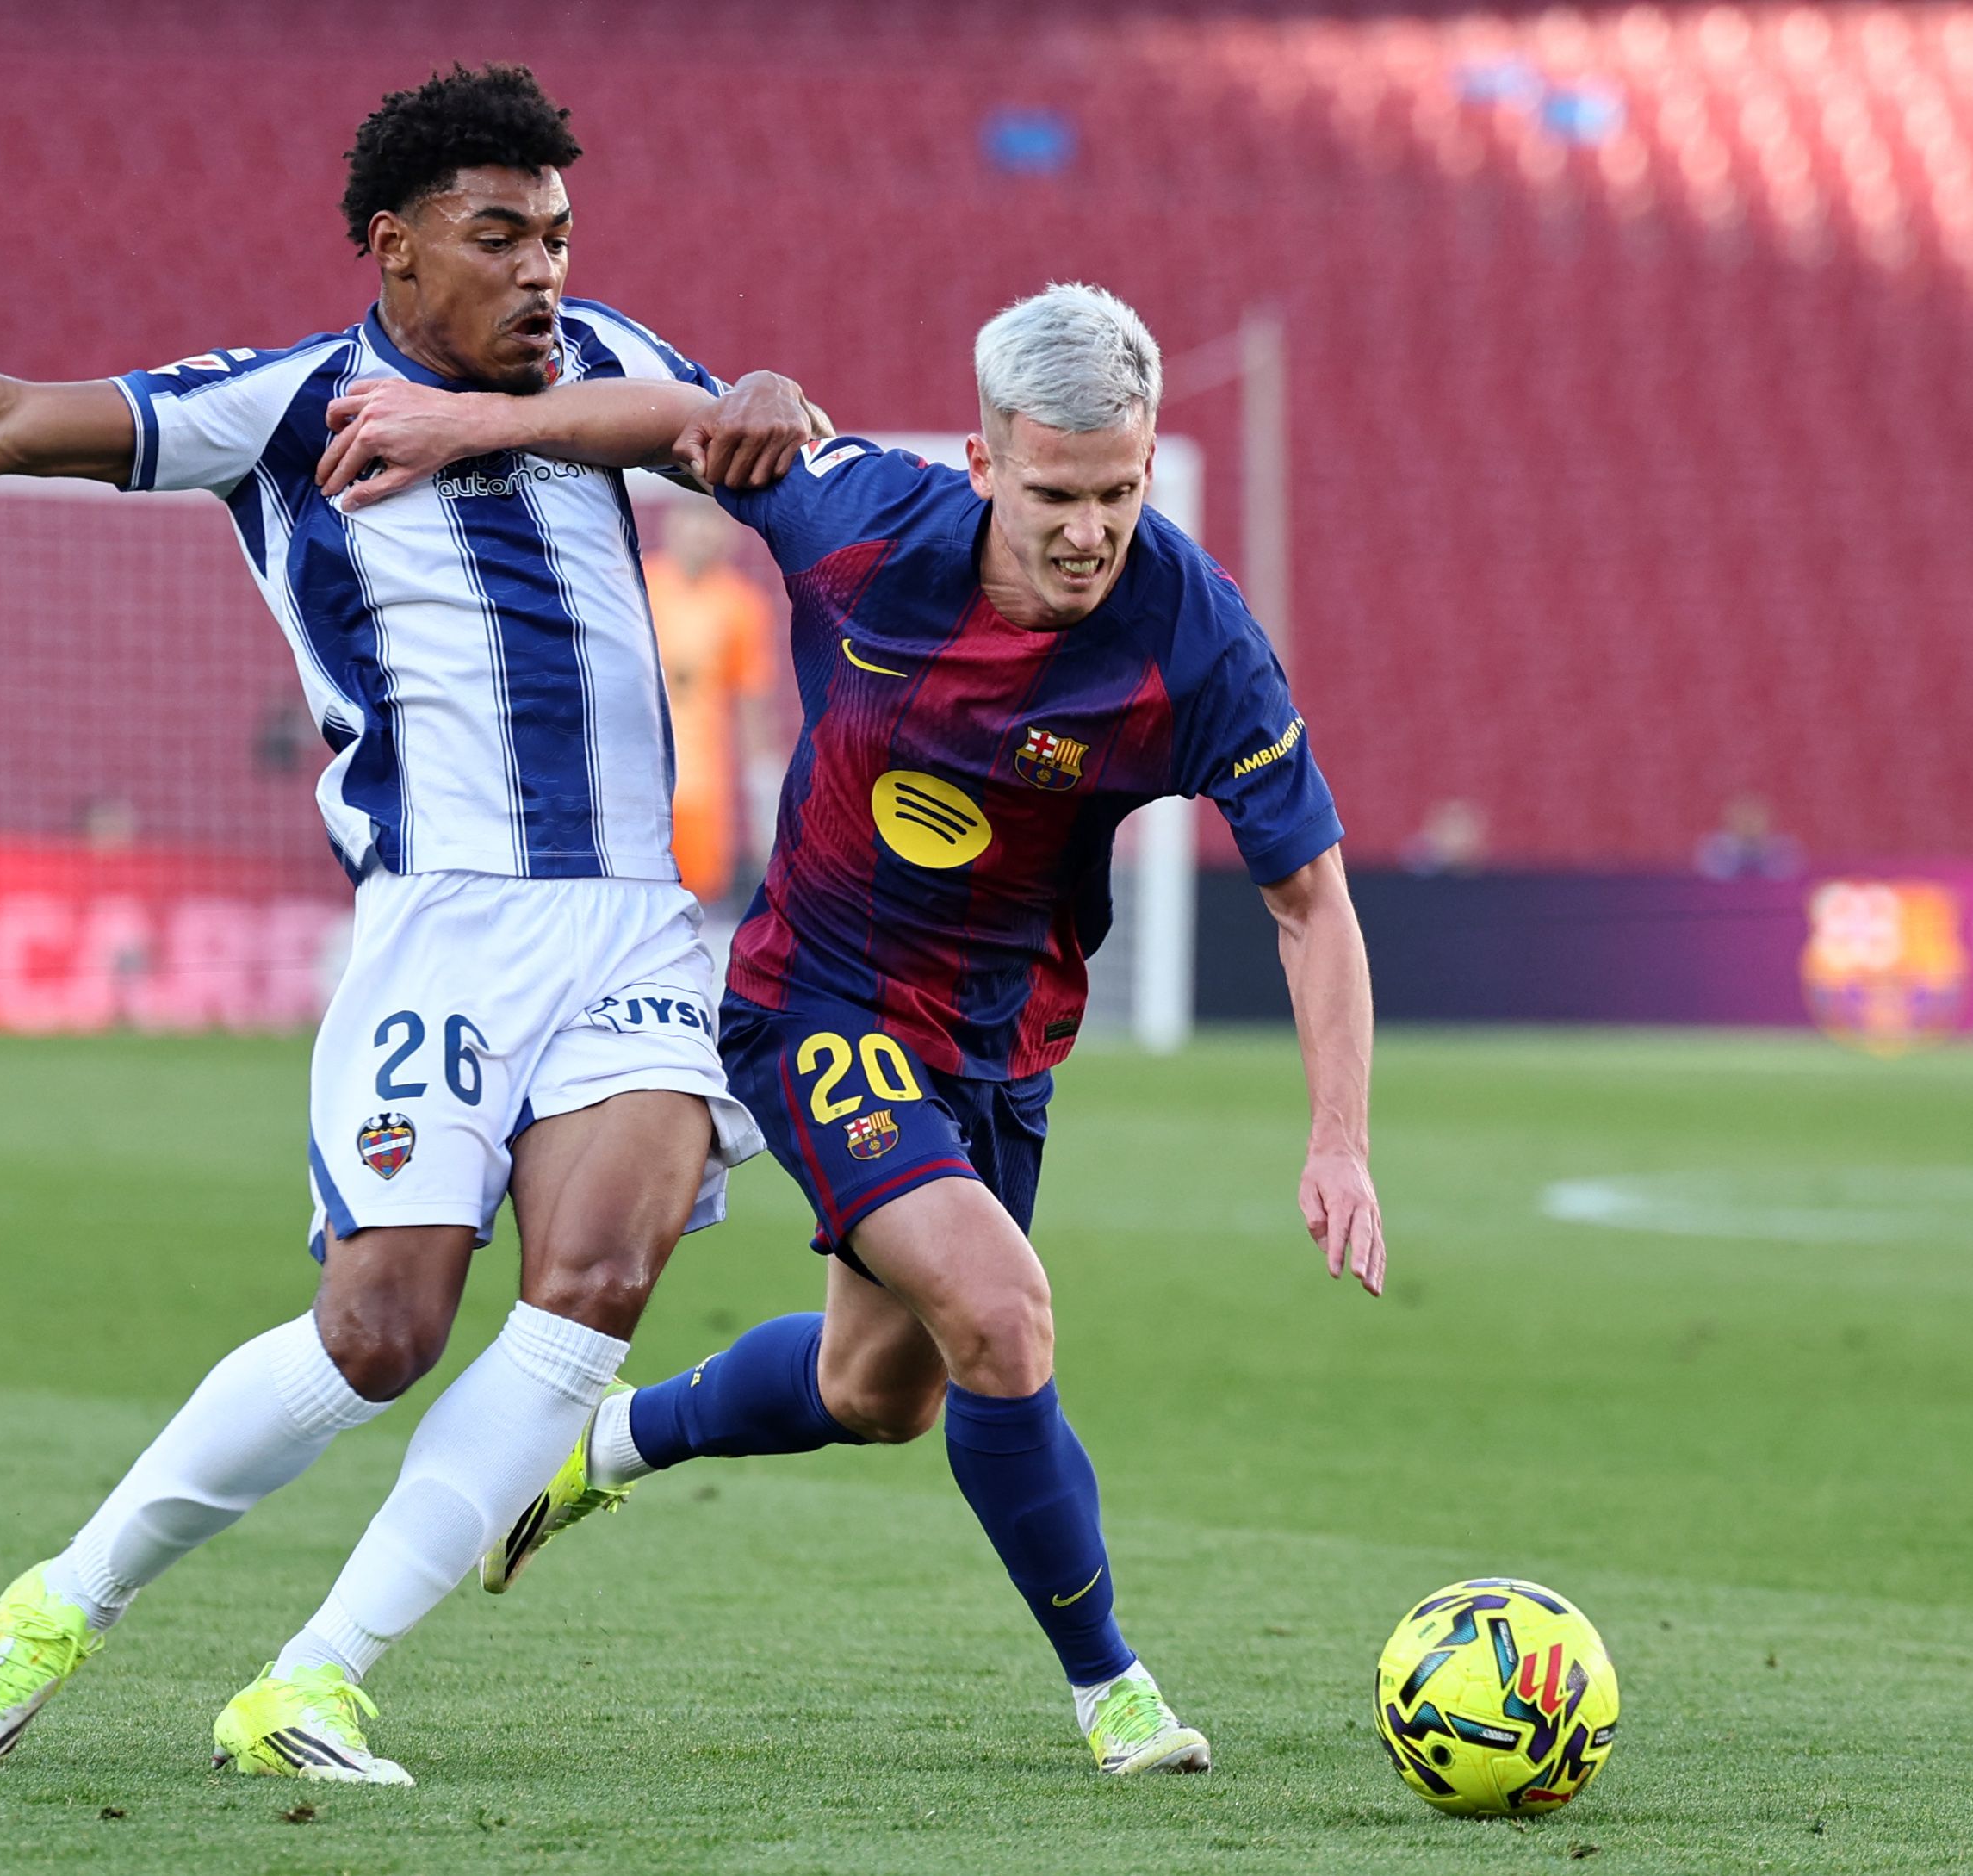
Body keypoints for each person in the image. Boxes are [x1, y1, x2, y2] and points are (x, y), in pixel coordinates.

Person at [0, 63, 819, 1785]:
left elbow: (747, 431)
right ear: (395, 248)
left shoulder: (611, 365)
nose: (542, 273)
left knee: (595, 1283)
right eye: (498, 236)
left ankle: (315, 1684)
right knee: (383, 1333)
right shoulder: (283, 409)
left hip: (639, 930)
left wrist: (773, 394)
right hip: (442, 929)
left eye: (559, 237)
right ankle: (69, 1597)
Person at [462, 283, 1388, 1774]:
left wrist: (1337, 1138)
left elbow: (1311, 903)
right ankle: (1115, 1689)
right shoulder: (868, 526)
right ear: (981, 460)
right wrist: (466, 418)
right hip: (815, 998)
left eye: (1119, 492)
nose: (1090, 529)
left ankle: (611, 1442)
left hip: (1001, 1040)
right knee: (1004, 1311)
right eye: (1055, 494)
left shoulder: (1199, 641)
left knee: (876, 1392)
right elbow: (677, 415)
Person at [642, 500, 779, 909]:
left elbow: (753, 706)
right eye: (691, 518)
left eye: (712, 522)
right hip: (638, 781)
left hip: (704, 788)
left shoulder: (741, 604)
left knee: (695, 905)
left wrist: (764, 799)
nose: (700, 532)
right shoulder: (638, 585)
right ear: (671, 523)